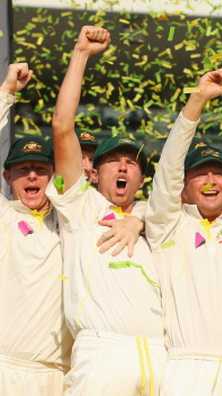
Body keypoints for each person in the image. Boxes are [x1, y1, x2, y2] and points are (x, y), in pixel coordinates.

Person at [47, 26, 165, 395]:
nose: (124, 167)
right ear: (94, 173)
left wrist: (140, 218)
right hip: (103, 355)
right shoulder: (80, 206)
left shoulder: (154, 218)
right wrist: (80, 54)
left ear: (142, 179)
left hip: (161, 356)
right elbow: (62, 127)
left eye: (132, 163)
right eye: (113, 161)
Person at [144, 66, 222, 395]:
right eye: (201, 174)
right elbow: (169, 167)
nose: (212, 181)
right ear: (184, 187)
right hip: (189, 370)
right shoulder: (167, 225)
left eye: (219, 173)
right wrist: (196, 102)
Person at [0, 64, 72, 396]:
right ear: (7, 178)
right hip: (8, 370)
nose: (32, 177)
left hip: (61, 375)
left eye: (40, 170)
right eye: (23, 170)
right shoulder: (5, 218)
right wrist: (6, 94)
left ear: (53, 175)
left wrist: (139, 217)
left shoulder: (73, 222)